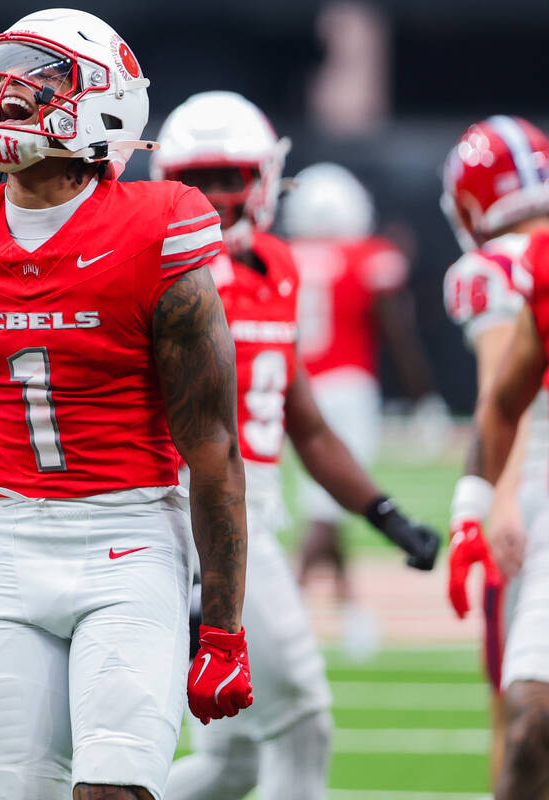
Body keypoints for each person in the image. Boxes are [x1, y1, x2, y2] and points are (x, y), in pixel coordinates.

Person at [0, 10, 254, 800]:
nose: (5, 91)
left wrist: (222, 627)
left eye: (40, 75)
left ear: (105, 101)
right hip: (14, 545)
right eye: (1, 71)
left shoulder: (158, 228)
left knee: (112, 792)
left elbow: (213, 447)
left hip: (133, 538)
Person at [149, 91, 441, 800]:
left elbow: (303, 419)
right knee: (303, 716)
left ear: (265, 179)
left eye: (230, 178)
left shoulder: (278, 266)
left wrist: (382, 511)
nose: (218, 197)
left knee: (233, 760)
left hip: (255, 513)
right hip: (191, 518)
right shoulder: (154, 270)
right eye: (199, 181)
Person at [280, 163, 447, 658]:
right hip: (347, 390)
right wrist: (424, 398)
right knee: (327, 512)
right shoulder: (368, 257)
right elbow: (398, 335)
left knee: (328, 506)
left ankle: (350, 608)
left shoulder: (285, 256)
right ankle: (285, 617)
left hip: (297, 387)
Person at [441, 115, 549, 794]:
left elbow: (495, 395)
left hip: (530, 488)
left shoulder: (491, 266)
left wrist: (496, 500)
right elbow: (504, 396)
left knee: (513, 707)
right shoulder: (531, 262)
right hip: (529, 488)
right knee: (525, 705)